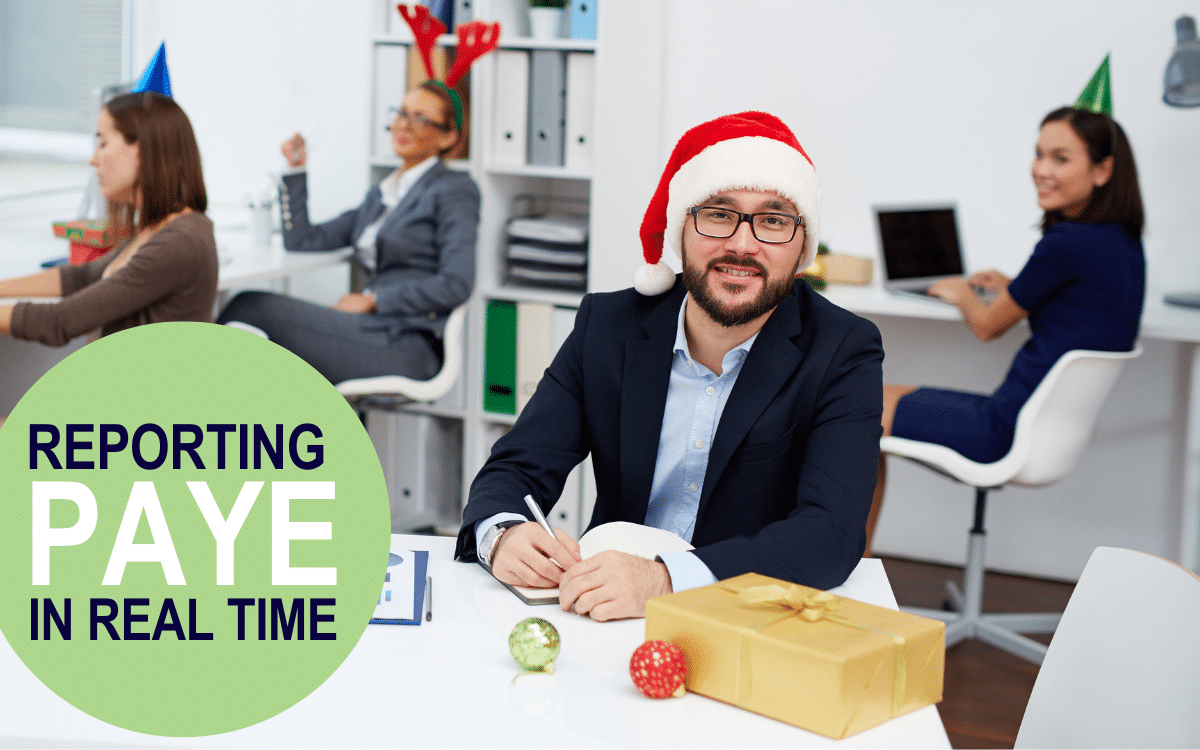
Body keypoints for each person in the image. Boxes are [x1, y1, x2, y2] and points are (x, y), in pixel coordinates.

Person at [455, 111, 885, 621]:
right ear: (680, 230)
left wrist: (663, 580)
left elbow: (829, 534)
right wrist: (501, 535)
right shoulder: (608, 326)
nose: (742, 245)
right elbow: (517, 467)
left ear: (801, 247)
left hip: (745, 621)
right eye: (719, 214)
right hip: (604, 614)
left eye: (773, 220)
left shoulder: (843, 349)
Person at [865, 106, 1146, 553]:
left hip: (1002, 428)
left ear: (1102, 170)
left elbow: (986, 326)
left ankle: (850, 579)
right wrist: (1014, 287)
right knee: (871, 399)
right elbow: (1079, 306)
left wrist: (961, 292)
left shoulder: (1066, 243)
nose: (1041, 170)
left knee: (853, 411)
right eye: (1039, 155)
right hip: (1032, 427)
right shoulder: (1120, 242)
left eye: (1060, 158)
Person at [216, 81, 479, 385]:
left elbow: (457, 284)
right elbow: (304, 240)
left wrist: (375, 300)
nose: (403, 125)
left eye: (419, 118)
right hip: (372, 329)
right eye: (401, 113)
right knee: (248, 330)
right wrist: (296, 171)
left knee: (250, 308)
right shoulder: (383, 194)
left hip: (407, 343)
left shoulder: (453, 190)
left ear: (447, 137)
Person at [0, 91, 216, 345]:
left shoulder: (179, 242)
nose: (93, 160)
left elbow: (58, 322)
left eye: (103, 144)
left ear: (143, 150)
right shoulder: (160, 229)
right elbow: (81, 278)